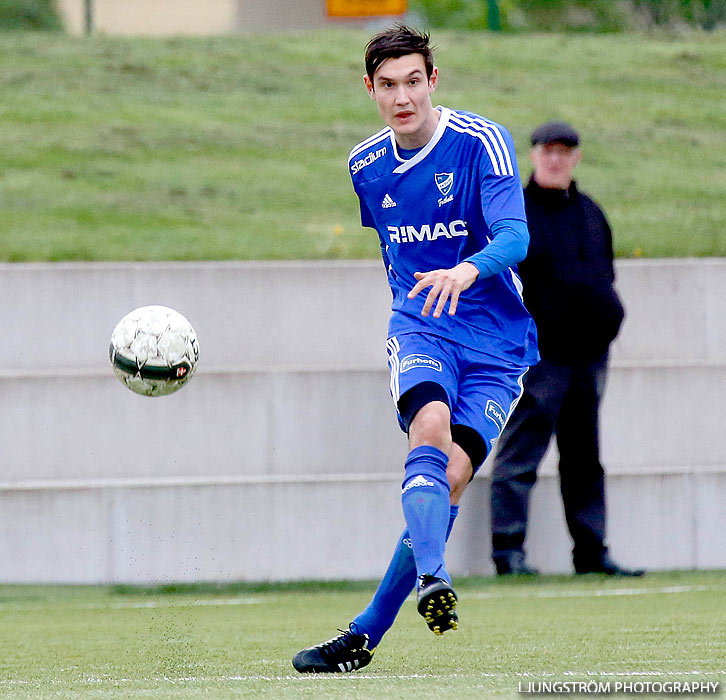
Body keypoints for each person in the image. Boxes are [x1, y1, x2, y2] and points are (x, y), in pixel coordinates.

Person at [292, 25, 538, 674]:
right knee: (427, 431)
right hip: (422, 327)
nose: (403, 97)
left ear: (433, 82)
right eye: (388, 85)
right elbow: (395, 252)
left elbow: (515, 237)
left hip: (498, 345)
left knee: (454, 472)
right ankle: (433, 574)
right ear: (370, 89)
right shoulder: (365, 165)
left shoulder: (481, 142)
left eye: (413, 81)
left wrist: (468, 270)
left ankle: (364, 633)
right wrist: (423, 302)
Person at [489, 121, 644, 578]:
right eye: (547, 150)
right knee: (521, 454)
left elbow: (604, 278)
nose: (555, 159)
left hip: (589, 356)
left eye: (564, 151)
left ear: (576, 157)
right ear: (533, 155)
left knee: (584, 458)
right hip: (539, 356)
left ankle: (591, 552)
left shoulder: (591, 212)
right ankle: (508, 552)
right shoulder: (514, 213)